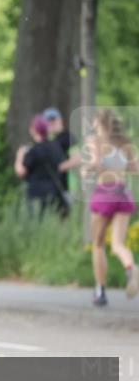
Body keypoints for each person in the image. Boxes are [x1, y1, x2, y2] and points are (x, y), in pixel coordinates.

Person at [81, 108, 138, 306]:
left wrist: (86, 168)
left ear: (100, 122)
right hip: (122, 194)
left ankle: (100, 292)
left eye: (94, 121)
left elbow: (96, 164)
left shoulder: (96, 141)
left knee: (98, 244)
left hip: (104, 194)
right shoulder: (124, 143)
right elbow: (135, 168)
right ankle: (131, 268)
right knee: (118, 244)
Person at [14, 114, 68, 218]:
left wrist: (19, 156)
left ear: (34, 130)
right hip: (53, 192)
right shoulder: (55, 147)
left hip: (36, 194)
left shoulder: (33, 150)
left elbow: (21, 172)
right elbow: (60, 166)